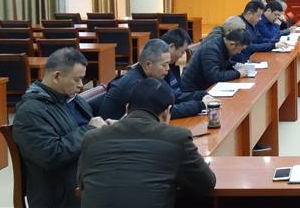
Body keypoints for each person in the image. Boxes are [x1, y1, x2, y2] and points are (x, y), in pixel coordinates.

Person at [78, 78, 216, 207]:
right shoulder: (176, 138)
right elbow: (206, 184)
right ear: (167, 112)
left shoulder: (91, 138)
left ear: (127, 108)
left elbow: (81, 183)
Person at [13, 48, 109, 208]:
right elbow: (51, 155)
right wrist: (90, 129)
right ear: (57, 76)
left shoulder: (73, 100)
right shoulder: (30, 112)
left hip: (87, 177)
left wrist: (108, 129)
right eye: (77, 79)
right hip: (61, 195)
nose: (81, 85)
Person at [100, 38, 215, 120]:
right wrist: (201, 105)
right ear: (148, 64)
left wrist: (202, 95)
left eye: (168, 64)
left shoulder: (150, 76)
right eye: (164, 65)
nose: (168, 69)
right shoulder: (135, 84)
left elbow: (172, 97)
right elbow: (162, 112)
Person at [161, 28, 213, 118]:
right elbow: (165, 111)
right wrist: (200, 105)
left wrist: (201, 95)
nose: (182, 55)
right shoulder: (159, 71)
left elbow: (177, 96)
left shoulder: (171, 65)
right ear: (171, 46)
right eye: (182, 51)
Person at [180, 28, 250, 92]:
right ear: (232, 44)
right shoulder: (211, 49)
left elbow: (222, 64)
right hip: (193, 90)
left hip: (205, 86)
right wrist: (238, 73)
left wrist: (235, 65)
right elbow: (213, 76)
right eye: (241, 49)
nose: (239, 52)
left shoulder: (222, 45)